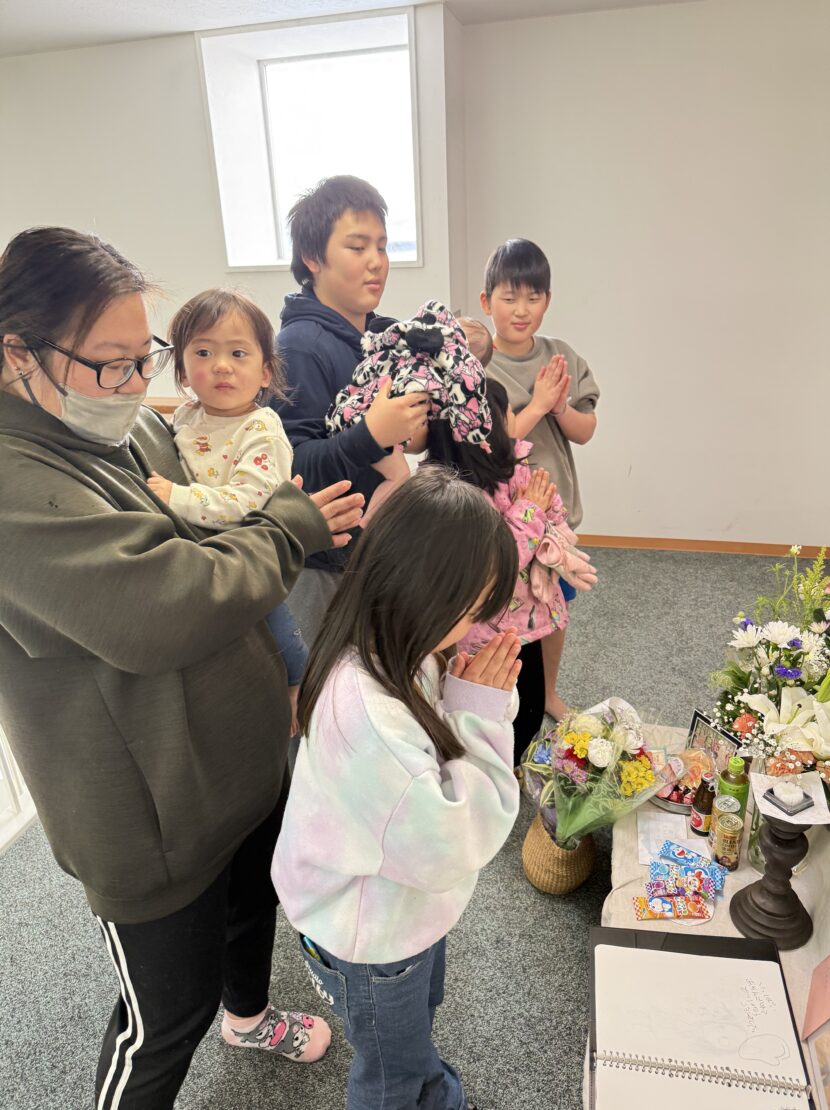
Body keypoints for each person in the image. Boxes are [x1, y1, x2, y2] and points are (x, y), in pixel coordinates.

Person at [0, 227, 364, 1109]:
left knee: (248, 911)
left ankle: (249, 1017)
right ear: (18, 354)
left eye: (146, 358)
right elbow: (167, 604)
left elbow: (209, 522)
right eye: (111, 364)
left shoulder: (116, 424)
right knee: (164, 1019)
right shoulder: (17, 485)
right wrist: (288, 524)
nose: (138, 385)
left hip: (228, 766)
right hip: (151, 816)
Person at [272, 467, 522, 1110]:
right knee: (389, 1073)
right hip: (373, 935)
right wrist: (480, 713)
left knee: (412, 1031)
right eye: (470, 610)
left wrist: (466, 698)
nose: (474, 628)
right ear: (422, 590)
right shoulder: (371, 715)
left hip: (395, 911)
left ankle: (433, 1089)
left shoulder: (388, 645)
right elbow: (450, 843)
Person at [273, 175, 428, 641]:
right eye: (357, 247)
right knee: (324, 681)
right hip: (323, 568)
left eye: (382, 247)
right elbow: (290, 467)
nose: (376, 262)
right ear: (312, 257)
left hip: (373, 554)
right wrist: (371, 436)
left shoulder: (379, 339)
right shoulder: (300, 346)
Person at [147, 287, 307, 733]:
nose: (221, 365)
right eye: (203, 352)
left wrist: (176, 497)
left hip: (250, 555)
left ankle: (299, 686)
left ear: (265, 371)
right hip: (205, 564)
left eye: (238, 353)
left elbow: (245, 503)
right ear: (182, 370)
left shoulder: (262, 429)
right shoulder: (185, 416)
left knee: (277, 626)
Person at [426, 379, 596, 765]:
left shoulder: (513, 468)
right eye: (509, 413)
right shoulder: (454, 496)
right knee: (489, 713)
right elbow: (496, 564)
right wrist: (530, 510)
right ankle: (492, 772)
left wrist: (553, 523)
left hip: (525, 620)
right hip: (481, 635)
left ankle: (513, 765)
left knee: (531, 705)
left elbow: (551, 510)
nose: (515, 419)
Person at [481, 238, 600, 726]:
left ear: (547, 301)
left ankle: (548, 692)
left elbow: (585, 430)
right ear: (487, 301)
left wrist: (559, 406)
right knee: (504, 613)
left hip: (555, 516)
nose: (521, 310)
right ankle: (496, 697)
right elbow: (488, 442)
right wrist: (537, 404)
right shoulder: (478, 362)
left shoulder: (560, 356)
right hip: (504, 517)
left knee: (554, 608)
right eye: (509, 298)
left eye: (533, 297)